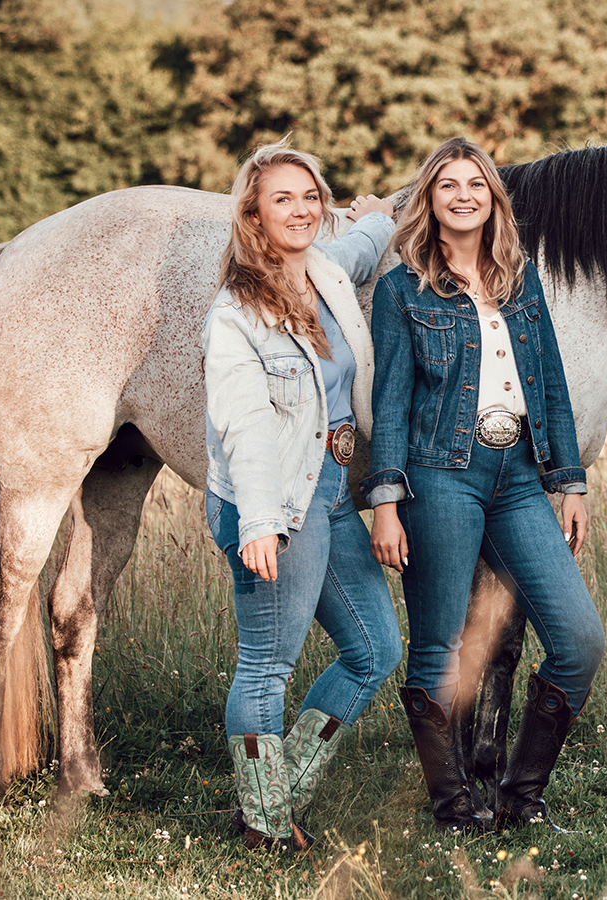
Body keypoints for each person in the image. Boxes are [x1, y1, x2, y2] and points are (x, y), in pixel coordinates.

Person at [364, 137, 604, 833]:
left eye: (476, 184)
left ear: (493, 199)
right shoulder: (402, 290)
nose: (463, 195)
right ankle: (453, 807)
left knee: (579, 641)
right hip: (441, 476)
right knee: (437, 647)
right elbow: (391, 403)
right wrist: (386, 503)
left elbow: (551, 385)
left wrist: (571, 483)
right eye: (448, 185)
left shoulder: (521, 283)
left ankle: (519, 799)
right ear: (430, 201)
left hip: (520, 477)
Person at [202, 140, 401, 850]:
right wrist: (260, 521)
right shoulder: (236, 314)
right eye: (281, 198)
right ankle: (265, 824)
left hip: (332, 495)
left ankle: (274, 794)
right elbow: (244, 424)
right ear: (253, 214)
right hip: (274, 505)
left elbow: (359, 247)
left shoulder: (324, 270)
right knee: (266, 666)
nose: (300, 210)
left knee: (375, 649)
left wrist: (379, 218)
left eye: (310, 196)